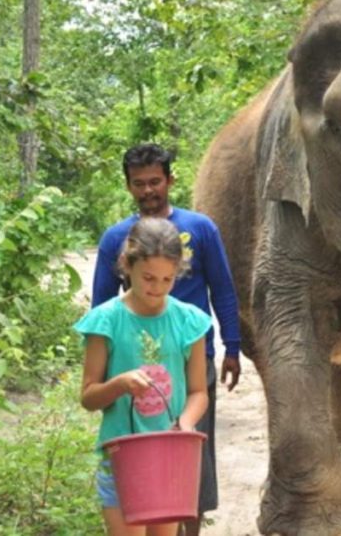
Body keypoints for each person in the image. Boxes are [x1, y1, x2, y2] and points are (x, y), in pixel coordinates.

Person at [91, 144, 241, 533]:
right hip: (132, 368)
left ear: (170, 180)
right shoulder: (117, 238)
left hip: (191, 358)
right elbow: (101, 306)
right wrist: (111, 376)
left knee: (190, 458)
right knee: (133, 467)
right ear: (128, 187)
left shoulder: (201, 229)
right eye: (138, 184)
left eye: (155, 181)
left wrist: (232, 346)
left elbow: (222, 289)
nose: (148, 190)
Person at [76, 217, 211, 536]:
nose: (157, 288)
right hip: (121, 459)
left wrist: (186, 423)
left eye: (167, 279)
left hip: (169, 457)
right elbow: (88, 396)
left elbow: (198, 391)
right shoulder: (105, 321)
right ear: (127, 264)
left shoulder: (189, 321)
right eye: (149, 278)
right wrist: (120, 384)